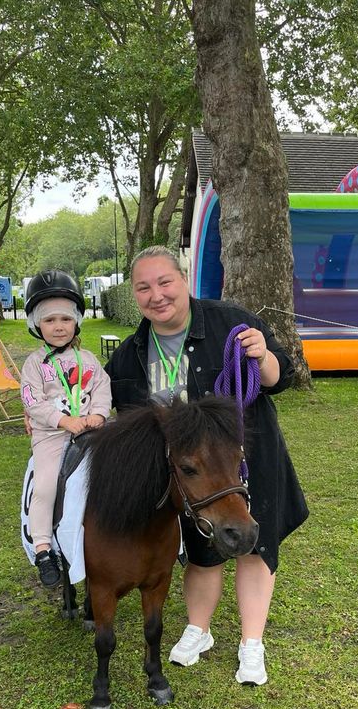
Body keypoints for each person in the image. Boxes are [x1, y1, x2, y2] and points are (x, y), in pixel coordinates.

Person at [105, 245, 307, 685]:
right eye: (143, 287)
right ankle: (199, 629)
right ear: (134, 295)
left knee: (253, 546)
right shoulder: (128, 355)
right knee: (202, 553)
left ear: (184, 281)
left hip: (244, 465)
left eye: (165, 282)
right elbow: (116, 413)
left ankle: (251, 644)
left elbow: (281, 376)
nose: (156, 295)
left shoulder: (233, 323)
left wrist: (264, 358)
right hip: (192, 478)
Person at [21, 270, 112, 587]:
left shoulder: (88, 359)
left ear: (76, 321)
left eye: (65, 319)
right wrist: (63, 421)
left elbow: (102, 388)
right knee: (45, 486)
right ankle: (44, 548)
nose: (58, 326)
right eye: (49, 320)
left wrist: (99, 415)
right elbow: (32, 400)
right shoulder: (34, 364)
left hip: (92, 432)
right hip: (52, 436)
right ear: (36, 325)